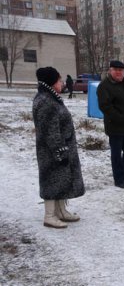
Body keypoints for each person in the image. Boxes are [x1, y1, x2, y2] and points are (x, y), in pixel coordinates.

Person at [32, 67, 85, 229]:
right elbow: (50, 130)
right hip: (52, 149)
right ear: (51, 82)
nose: (62, 83)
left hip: (61, 146)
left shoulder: (51, 98)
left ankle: (61, 211)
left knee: (61, 178)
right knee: (51, 179)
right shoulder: (45, 102)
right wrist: (59, 149)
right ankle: (49, 216)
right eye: (59, 80)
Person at [97, 60, 124, 189]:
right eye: (116, 70)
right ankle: (119, 179)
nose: (118, 72)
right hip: (115, 126)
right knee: (116, 155)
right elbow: (105, 106)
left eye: (121, 70)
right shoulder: (104, 86)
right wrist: (119, 117)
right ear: (110, 70)